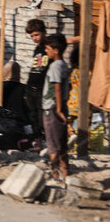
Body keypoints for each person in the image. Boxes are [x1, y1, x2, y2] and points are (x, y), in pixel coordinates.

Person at [42, 33, 71, 180]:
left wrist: (58, 109)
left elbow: (57, 87)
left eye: (48, 48)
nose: (46, 51)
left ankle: (55, 174)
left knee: (53, 144)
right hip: (58, 107)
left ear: (56, 50)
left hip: (52, 109)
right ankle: (65, 172)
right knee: (61, 143)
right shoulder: (63, 65)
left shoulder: (55, 66)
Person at [24, 19, 50, 139]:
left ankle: (46, 140)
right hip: (31, 87)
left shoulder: (49, 46)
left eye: (37, 34)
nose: (35, 38)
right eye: (32, 36)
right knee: (33, 116)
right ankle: (38, 141)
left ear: (44, 32)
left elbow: (65, 41)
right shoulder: (37, 49)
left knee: (41, 116)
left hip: (42, 88)